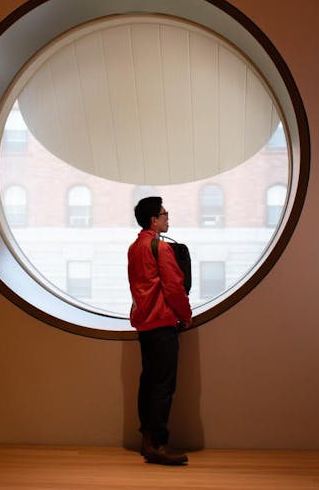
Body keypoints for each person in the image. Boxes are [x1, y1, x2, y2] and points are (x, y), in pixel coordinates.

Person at [128, 196, 192, 465]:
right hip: (162, 323)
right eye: (165, 214)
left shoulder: (135, 247)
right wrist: (185, 316)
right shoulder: (160, 248)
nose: (168, 218)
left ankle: (146, 440)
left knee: (149, 381)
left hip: (144, 324)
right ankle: (159, 445)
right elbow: (175, 288)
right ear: (154, 220)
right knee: (164, 386)